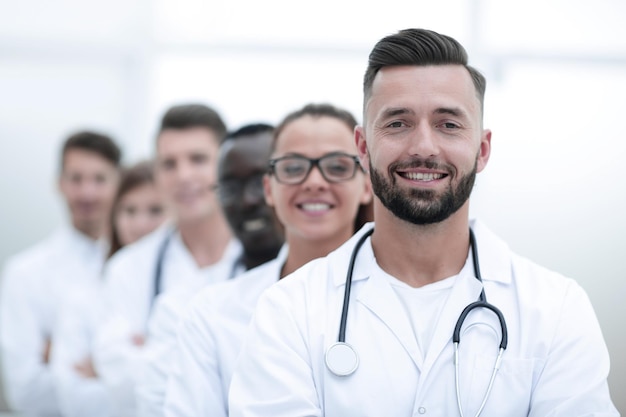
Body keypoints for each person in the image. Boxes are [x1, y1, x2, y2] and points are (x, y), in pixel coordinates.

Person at [228, 29, 619, 417]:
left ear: (482, 150)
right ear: (363, 149)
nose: (423, 147)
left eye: (448, 124)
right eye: (398, 123)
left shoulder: (556, 308)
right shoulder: (289, 310)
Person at [163, 103, 373, 417]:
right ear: (269, 189)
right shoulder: (212, 314)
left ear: (367, 184)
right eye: (292, 167)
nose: (314, 182)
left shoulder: (405, 300)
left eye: (338, 166)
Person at [92, 103, 241, 417]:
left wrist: (153, 354)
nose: (183, 175)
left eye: (198, 159)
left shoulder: (264, 260)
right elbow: (122, 387)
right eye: (169, 163)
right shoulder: (128, 269)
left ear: (226, 164)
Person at [135, 123, 285, 417]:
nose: (248, 200)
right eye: (230, 187)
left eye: (260, 182)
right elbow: (156, 404)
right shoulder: (187, 304)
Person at [0, 131, 121, 416]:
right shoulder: (24, 273)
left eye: (99, 179)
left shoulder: (141, 267)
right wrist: (119, 369)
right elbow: (26, 393)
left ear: (119, 184)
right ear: (59, 184)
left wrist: (60, 356)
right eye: (76, 179)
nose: (87, 193)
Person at [50, 159, 168, 417]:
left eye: (155, 210)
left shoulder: (192, 283)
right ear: (113, 216)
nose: (140, 224)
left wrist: (106, 368)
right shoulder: (83, 290)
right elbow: (72, 395)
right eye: (129, 211)